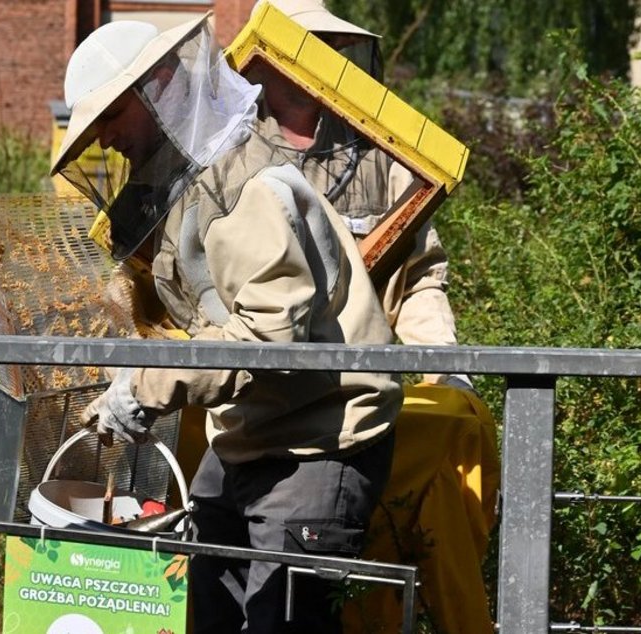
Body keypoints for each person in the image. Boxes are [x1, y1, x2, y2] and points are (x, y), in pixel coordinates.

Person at [51, 14, 402, 634]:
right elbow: (184, 297)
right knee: (206, 607)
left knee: (280, 622)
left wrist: (144, 385)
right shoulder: (197, 178)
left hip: (318, 437)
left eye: (111, 118)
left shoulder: (247, 188)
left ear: (159, 87)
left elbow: (269, 341)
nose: (104, 142)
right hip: (251, 431)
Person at [238, 2, 499, 632]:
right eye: (308, 47)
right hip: (257, 402)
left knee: (456, 433)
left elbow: (418, 277)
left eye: (332, 48)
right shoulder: (231, 157)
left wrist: (443, 366)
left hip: (361, 397)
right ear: (264, 64)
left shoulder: (379, 158)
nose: (324, 63)